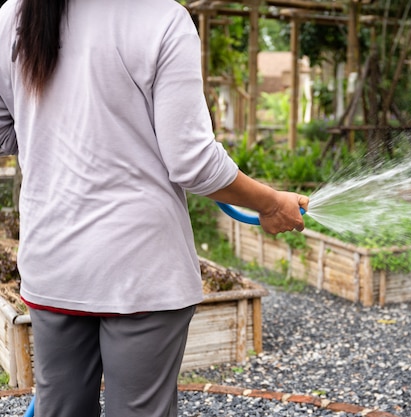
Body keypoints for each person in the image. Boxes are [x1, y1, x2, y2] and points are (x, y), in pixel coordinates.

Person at [0, 1, 308, 416]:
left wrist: (61, 136)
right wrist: (273, 203)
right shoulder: (160, 17)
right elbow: (194, 163)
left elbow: (5, 133)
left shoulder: (13, 14)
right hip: (141, 270)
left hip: (54, 264)